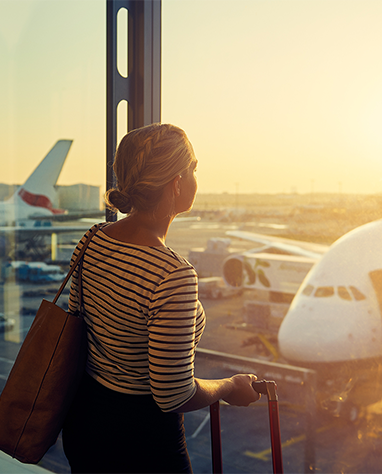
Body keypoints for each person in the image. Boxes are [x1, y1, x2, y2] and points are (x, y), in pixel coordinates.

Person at [62, 123, 261, 474]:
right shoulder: (173, 275)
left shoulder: (92, 239)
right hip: (142, 444)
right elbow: (173, 395)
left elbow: (76, 324)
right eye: (194, 168)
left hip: (85, 423)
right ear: (177, 183)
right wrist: (229, 387)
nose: (197, 178)